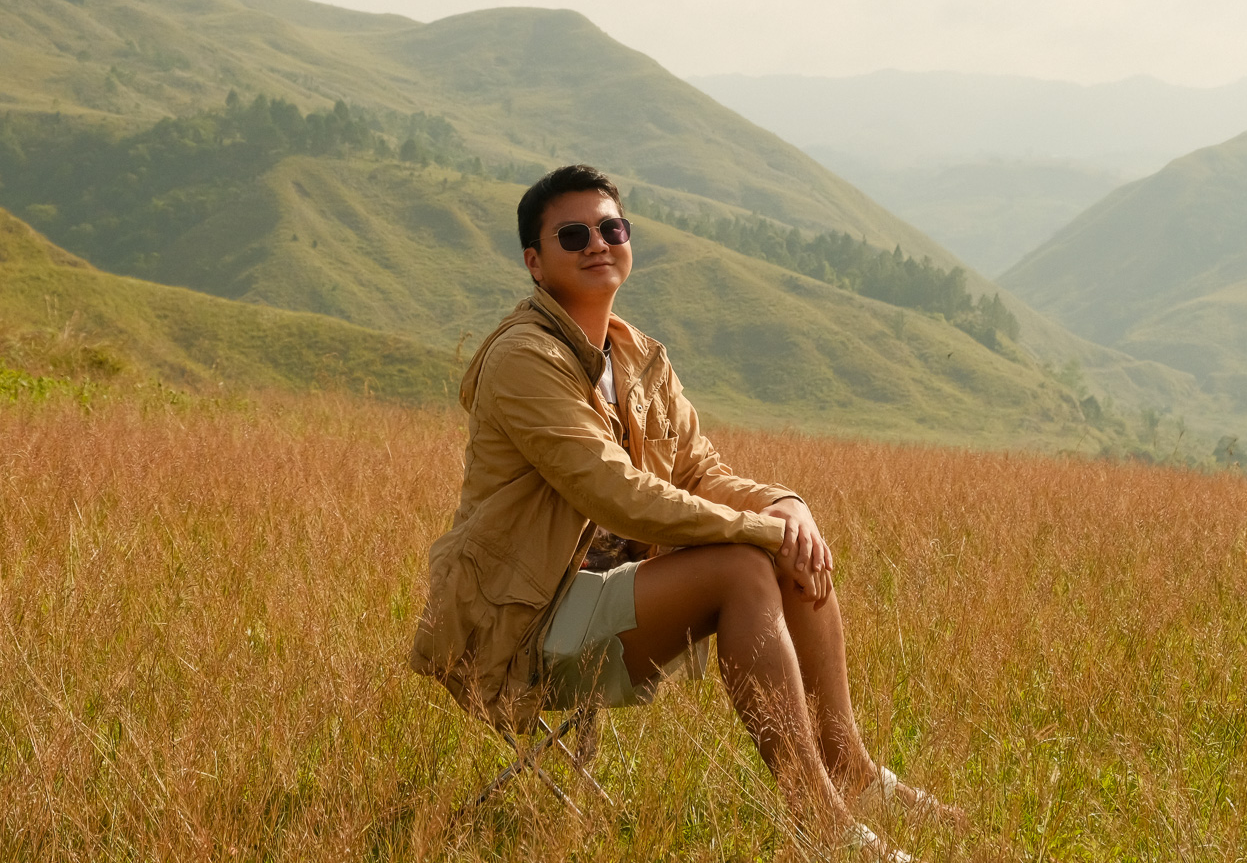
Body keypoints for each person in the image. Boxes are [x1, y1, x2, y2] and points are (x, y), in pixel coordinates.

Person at [410, 164, 958, 858]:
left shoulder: (638, 356)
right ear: (534, 263)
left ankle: (848, 769)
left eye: (612, 228)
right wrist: (767, 532)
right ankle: (820, 823)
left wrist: (790, 507)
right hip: (521, 624)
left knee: (780, 552)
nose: (597, 244)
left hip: (603, 600)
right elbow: (614, 493)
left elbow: (703, 472)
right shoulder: (525, 358)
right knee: (744, 566)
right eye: (572, 234)